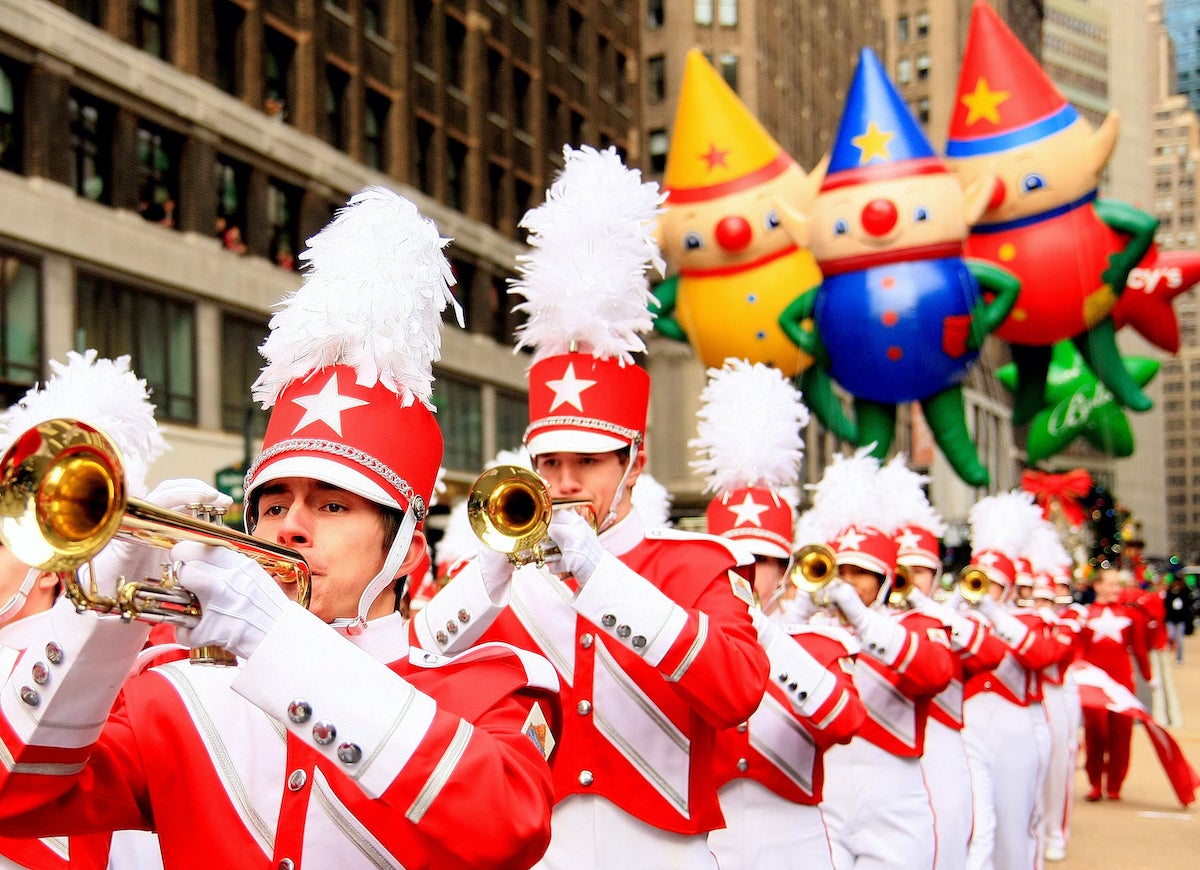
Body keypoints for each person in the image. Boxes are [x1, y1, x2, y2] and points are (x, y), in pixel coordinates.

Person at [0, 188, 559, 868]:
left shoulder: (490, 681)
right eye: (271, 504)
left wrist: (274, 636)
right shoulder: (173, 690)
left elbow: (510, 826)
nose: (289, 526)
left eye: (332, 505)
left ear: (409, 550)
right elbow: (17, 798)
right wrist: (103, 620)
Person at [411, 146, 770, 868]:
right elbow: (415, 662)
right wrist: (485, 580)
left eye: (589, 463)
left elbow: (737, 693)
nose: (565, 482)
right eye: (549, 463)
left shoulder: (694, 564)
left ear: (633, 460)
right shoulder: (503, 577)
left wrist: (600, 576)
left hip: (664, 850)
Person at [693, 359, 865, 869]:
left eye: (762, 561)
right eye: (734, 558)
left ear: (787, 569)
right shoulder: (687, 637)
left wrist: (764, 634)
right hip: (708, 839)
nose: (747, 573)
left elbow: (845, 720)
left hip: (796, 839)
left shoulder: (822, 646)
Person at [797, 451, 954, 870]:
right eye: (840, 569)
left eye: (861, 571)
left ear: (884, 578)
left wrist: (863, 622)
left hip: (893, 794)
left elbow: (936, 673)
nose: (847, 581)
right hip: (822, 786)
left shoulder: (915, 624)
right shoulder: (810, 627)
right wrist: (793, 619)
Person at [879, 456, 1006, 870]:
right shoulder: (870, 624)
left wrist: (930, 610)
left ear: (936, 576)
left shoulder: (952, 622)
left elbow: (991, 653)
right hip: (886, 755)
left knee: (951, 849)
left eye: (923, 571)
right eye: (905, 570)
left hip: (943, 749)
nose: (913, 579)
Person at [960, 492, 1067, 870]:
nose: (984, 589)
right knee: (972, 827)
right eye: (979, 580)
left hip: (1015, 727)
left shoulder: (1029, 620)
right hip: (967, 727)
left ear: (1007, 588)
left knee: (1014, 830)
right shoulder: (957, 619)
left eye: (994, 583)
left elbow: (1040, 656)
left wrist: (993, 614)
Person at [1079, 565, 1154, 801]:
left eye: (1117, 584)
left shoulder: (1130, 615)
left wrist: (1149, 677)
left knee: (1121, 734)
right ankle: (1094, 782)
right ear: (1097, 586)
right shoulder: (1085, 615)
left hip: (1121, 682)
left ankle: (1115, 784)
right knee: (1095, 732)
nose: (1115, 589)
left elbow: (1140, 649)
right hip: (1094, 684)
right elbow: (1079, 650)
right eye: (1110, 584)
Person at [1165, 573, 1194, 664]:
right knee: (1171, 635)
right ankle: (1170, 648)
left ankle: (1179, 658)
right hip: (1171, 619)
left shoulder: (1185, 591)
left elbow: (1188, 604)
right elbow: (1166, 605)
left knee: (1180, 639)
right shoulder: (1169, 591)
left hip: (1181, 619)